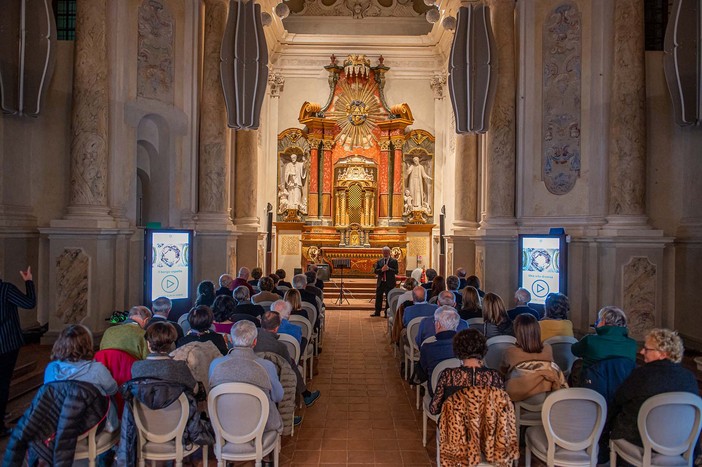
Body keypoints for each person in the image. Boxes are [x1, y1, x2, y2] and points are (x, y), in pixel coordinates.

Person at [607, 328, 699, 453]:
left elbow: (618, 400)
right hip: (680, 444)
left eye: (647, 349)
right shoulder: (689, 378)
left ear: (663, 353)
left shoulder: (641, 375)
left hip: (639, 442)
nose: (641, 351)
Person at [209, 320, 284, 434]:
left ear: (231, 340)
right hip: (262, 426)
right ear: (255, 342)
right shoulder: (266, 366)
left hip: (222, 424)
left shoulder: (215, 365)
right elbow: (278, 396)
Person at [44, 324, 119, 431]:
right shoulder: (97, 369)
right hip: (91, 426)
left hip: (59, 423)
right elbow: (113, 389)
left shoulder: (51, 368)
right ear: (87, 344)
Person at [429, 329, 505, 415]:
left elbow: (434, 409)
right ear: (482, 348)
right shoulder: (494, 376)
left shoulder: (448, 375)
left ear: (458, 349)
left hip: (454, 426)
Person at [0, 266, 35, 437]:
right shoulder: (5, 289)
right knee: (3, 383)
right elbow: (29, 303)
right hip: (6, 344)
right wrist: (28, 282)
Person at [500, 314, 566, 402]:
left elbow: (501, 374)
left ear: (517, 332)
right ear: (537, 331)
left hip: (519, 396)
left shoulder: (510, 352)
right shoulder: (547, 349)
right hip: (546, 396)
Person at [131, 322, 197, 391]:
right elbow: (195, 389)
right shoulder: (180, 366)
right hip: (174, 401)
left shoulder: (136, 367)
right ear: (171, 343)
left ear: (148, 343)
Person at [571, 306, 637, 369]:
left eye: (598, 319)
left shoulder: (590, 340)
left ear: (603, 321)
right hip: (624, 380)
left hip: (594, 379)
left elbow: (574, 350)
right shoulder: (632, 344)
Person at [417, 307, 461, 393]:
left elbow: (422, 373)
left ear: (438, 325)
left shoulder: (428, 347)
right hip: (460, 391)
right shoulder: (464, 346)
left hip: (436, 391)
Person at [371, 246, 398, 317]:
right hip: (381, 282)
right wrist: (381, 270)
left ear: (389, 253)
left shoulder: (394, 261)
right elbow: (376, 271)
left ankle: (387, 313)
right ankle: (377, 312)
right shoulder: (379, 261)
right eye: (384, 252)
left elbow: (396, 271)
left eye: (386, 252)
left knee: (388, 298)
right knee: (378, 297)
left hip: (389, 282)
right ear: (382, 252)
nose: (385, 254)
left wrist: (388, 269)